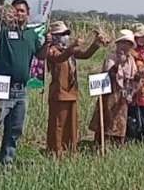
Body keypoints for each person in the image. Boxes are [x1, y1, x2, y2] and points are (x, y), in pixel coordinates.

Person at [0, 0, 45, 169]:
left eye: (22, 11)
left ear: (28, 14)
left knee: (15, 129)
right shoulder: (3, 31)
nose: (19, 13)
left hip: (21, 90)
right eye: (15, 10)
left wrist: (49, 41)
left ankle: (7, 161)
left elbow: (41, 55)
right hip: (1, 86)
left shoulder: (31, 35)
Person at [42, 21, 104, 156]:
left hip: (72, 92)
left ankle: (70, 150)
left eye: (66, 34)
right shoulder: (51, 50)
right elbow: (59, 58)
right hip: (59, 93)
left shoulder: (67, 50)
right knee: (58, 125)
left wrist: (96, 43)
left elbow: (85, 54)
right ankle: (55, 152)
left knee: (72, 124)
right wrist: (71, 47)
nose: (65, 36)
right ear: (54, 36)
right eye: (62, 34)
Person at [90, 29, 139, 145]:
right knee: (107, 120)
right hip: (110, 94)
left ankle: (117, 145)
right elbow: (110, 73)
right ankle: (101, 145)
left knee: (120, 122)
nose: (126, 46)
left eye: (128, 44)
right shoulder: (112, 57)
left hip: (123, 95)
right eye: (123, 43)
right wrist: (118, 63)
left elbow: (134, 77)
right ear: (118, 44)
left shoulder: (131, 60)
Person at [125, 24, 144, 142]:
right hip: (135, 92)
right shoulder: (131, 53)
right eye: (140, 36)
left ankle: (141, 141)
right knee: (137, 121)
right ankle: (134, 141)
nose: (143, 39)